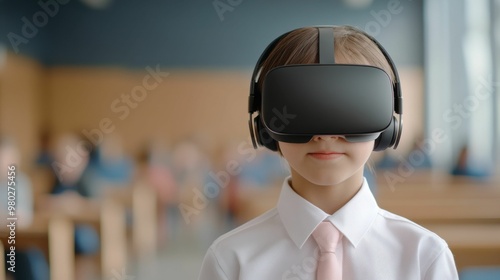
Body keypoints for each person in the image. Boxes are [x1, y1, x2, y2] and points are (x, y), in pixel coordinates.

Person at [198, 26, 458, 279]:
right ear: (264, 127)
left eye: (349, 109)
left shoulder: (425, 257)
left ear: (389, 125)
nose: (325, 135)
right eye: (301, 108)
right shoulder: (230, 261)